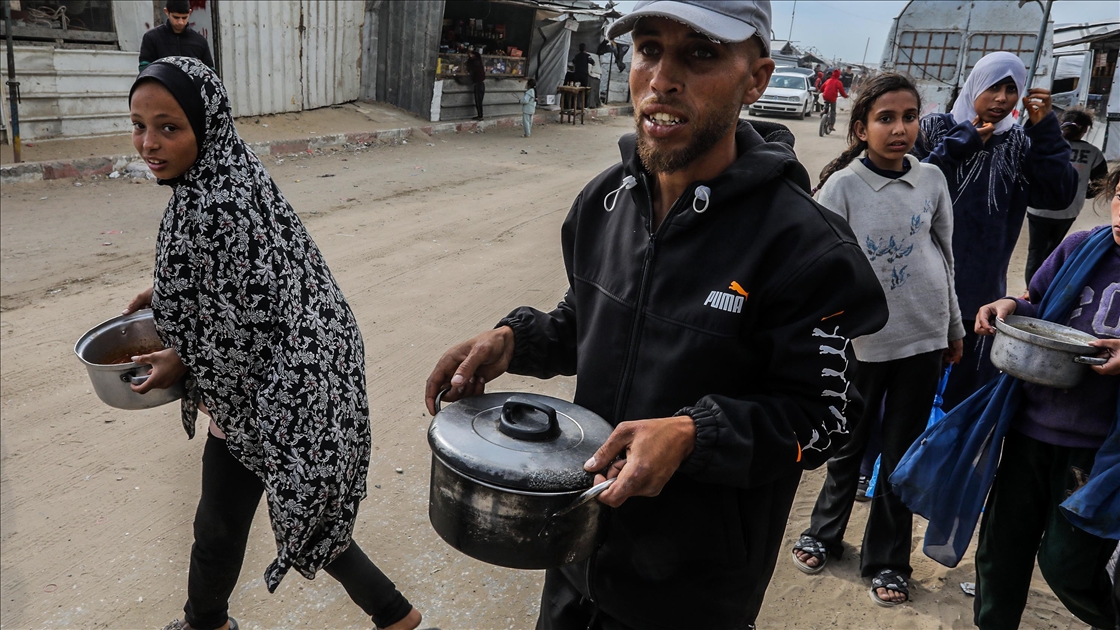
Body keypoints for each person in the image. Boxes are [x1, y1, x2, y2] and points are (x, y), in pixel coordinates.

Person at [424, 2, 889, 628]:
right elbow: (588, 320)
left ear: (755, 79)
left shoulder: (803, 247)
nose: (663, 78)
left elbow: (830, 415)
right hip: (574, 554)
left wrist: (695, 435)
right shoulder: (604, 201)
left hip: (691, 594)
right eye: (648, 49)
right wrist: (516, 340)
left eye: (700, 54)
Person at [125, 57, 421, 630]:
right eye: (138, 125)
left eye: (168, 127)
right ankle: (208, 620)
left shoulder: (215, 205)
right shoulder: (227, 171)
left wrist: (179, 365)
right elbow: (241, 282)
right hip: (291, 379)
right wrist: (171, 296)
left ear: (205, 124)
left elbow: (237, 334)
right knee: (236, 522)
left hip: (282, 396)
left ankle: (397, 618)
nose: (149, 144)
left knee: (295, 523)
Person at [790, 74, 964, 607]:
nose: (900, 129)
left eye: (909, 117)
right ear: (860, 127)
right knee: (847, 444)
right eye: (885, 118)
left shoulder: (932, 179)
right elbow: (816, 267)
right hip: (860, 345)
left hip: (924, 339)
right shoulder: (842, 187)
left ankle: (888, 559)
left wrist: (953, 328)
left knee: (902, 454)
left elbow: (946, 259)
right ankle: (824, 532)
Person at [970, 166, 1120, 630]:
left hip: (1097, 447)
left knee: (1067, 563)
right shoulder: (1081, 248)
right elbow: (1040, 304)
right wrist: (1010, 307)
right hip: (1031, 426)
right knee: (1001, 549)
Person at [913, 51, 1077, 410]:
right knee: (906, 393)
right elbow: (910, 186)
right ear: (975, 85)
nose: (1001, 98)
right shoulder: (935, 129)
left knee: (962, 397)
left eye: (1011, 88)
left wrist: (1046, 129)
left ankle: (945, 465)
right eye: (992, 87)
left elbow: (1058, 193)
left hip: (981, 296)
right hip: (920, 286)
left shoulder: (1021, 144)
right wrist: (962, 143)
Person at [1024, 106, 1108, 287]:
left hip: (1038, 210)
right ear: (1085, 130)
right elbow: (1101, 183)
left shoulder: (1046, 147)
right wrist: (1082, 194)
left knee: (1035, 251)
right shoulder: (1093, 153)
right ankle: (1044, 288)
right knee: (1053, 250)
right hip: (1068, 210)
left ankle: (1029, 291)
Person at [139, 0, 214, 72]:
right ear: (166, 12)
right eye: (176, 17)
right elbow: (144, 68)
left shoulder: (200, 41)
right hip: (162, 83)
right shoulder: (152, 37)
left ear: (190, 13)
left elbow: (211, 71)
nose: (180, 22)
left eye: (184, 17)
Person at [466, 50, 486, 120]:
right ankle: (480, 115)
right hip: (481, 84)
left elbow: (469, 66)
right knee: (479, 100)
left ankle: (480, 115)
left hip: (478, 84)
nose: (469, 55)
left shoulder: (474, 62)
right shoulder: (478, 62)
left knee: (478, 100)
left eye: (470, 54)